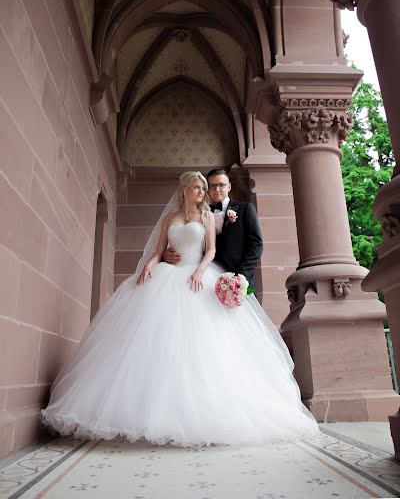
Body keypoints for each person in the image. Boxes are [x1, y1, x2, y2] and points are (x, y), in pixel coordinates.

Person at [42, 171, 318, 446]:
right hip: (168, 276)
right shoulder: (170, 219)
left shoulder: (212, 215)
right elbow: (159, 249)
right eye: (198, 187)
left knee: (204, 345)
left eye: (205, 187)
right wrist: (151, 265)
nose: (203, 192)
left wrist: (200, 271)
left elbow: (211, 250)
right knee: (154, 341)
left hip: (200, 277)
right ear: (185, 189)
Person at [164, 169, 263, 291]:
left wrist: (240, 277)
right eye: (212, 186)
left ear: (229, 187)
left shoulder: (245, 209)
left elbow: (256, 245)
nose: (217, 189)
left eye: (221, 185)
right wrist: (166, 254)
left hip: (238, 278)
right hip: (206, 277)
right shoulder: (201, 213)